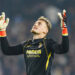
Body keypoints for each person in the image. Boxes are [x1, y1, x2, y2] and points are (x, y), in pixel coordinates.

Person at [0, 9, 69, 75]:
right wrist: (2, 30)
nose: (35, 24)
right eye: (35, 23)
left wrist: (64, 28)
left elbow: (63, 49)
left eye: (39, 24)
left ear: (45, 30)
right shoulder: (26, 44)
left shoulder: (48, 43)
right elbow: (7, 50)